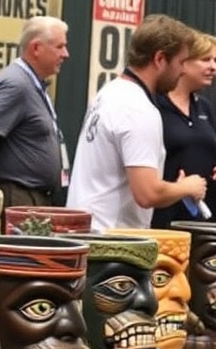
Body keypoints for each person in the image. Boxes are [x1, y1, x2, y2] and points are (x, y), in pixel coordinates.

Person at [66, 14, 206, 231]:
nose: (183, 70)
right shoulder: (137, 109)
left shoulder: (111, 91)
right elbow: (147, 193)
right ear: (160, 59)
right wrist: (187, 187)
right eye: (181, 62)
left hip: (90, 231)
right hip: (109, 241)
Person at [0, 16, 70, 212]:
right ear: (36, 48)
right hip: (18, 198)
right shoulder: (16, 84)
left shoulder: (33, 84)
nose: (66, 54)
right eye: (59, 46)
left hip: (33, 198)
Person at [152, 33, 216, 228]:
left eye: (215, 60)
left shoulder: (204, 107)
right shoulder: (156, 104)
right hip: (163, 214)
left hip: (202, 217)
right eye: (206, 60)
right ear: (183, 63)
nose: (213, 67)